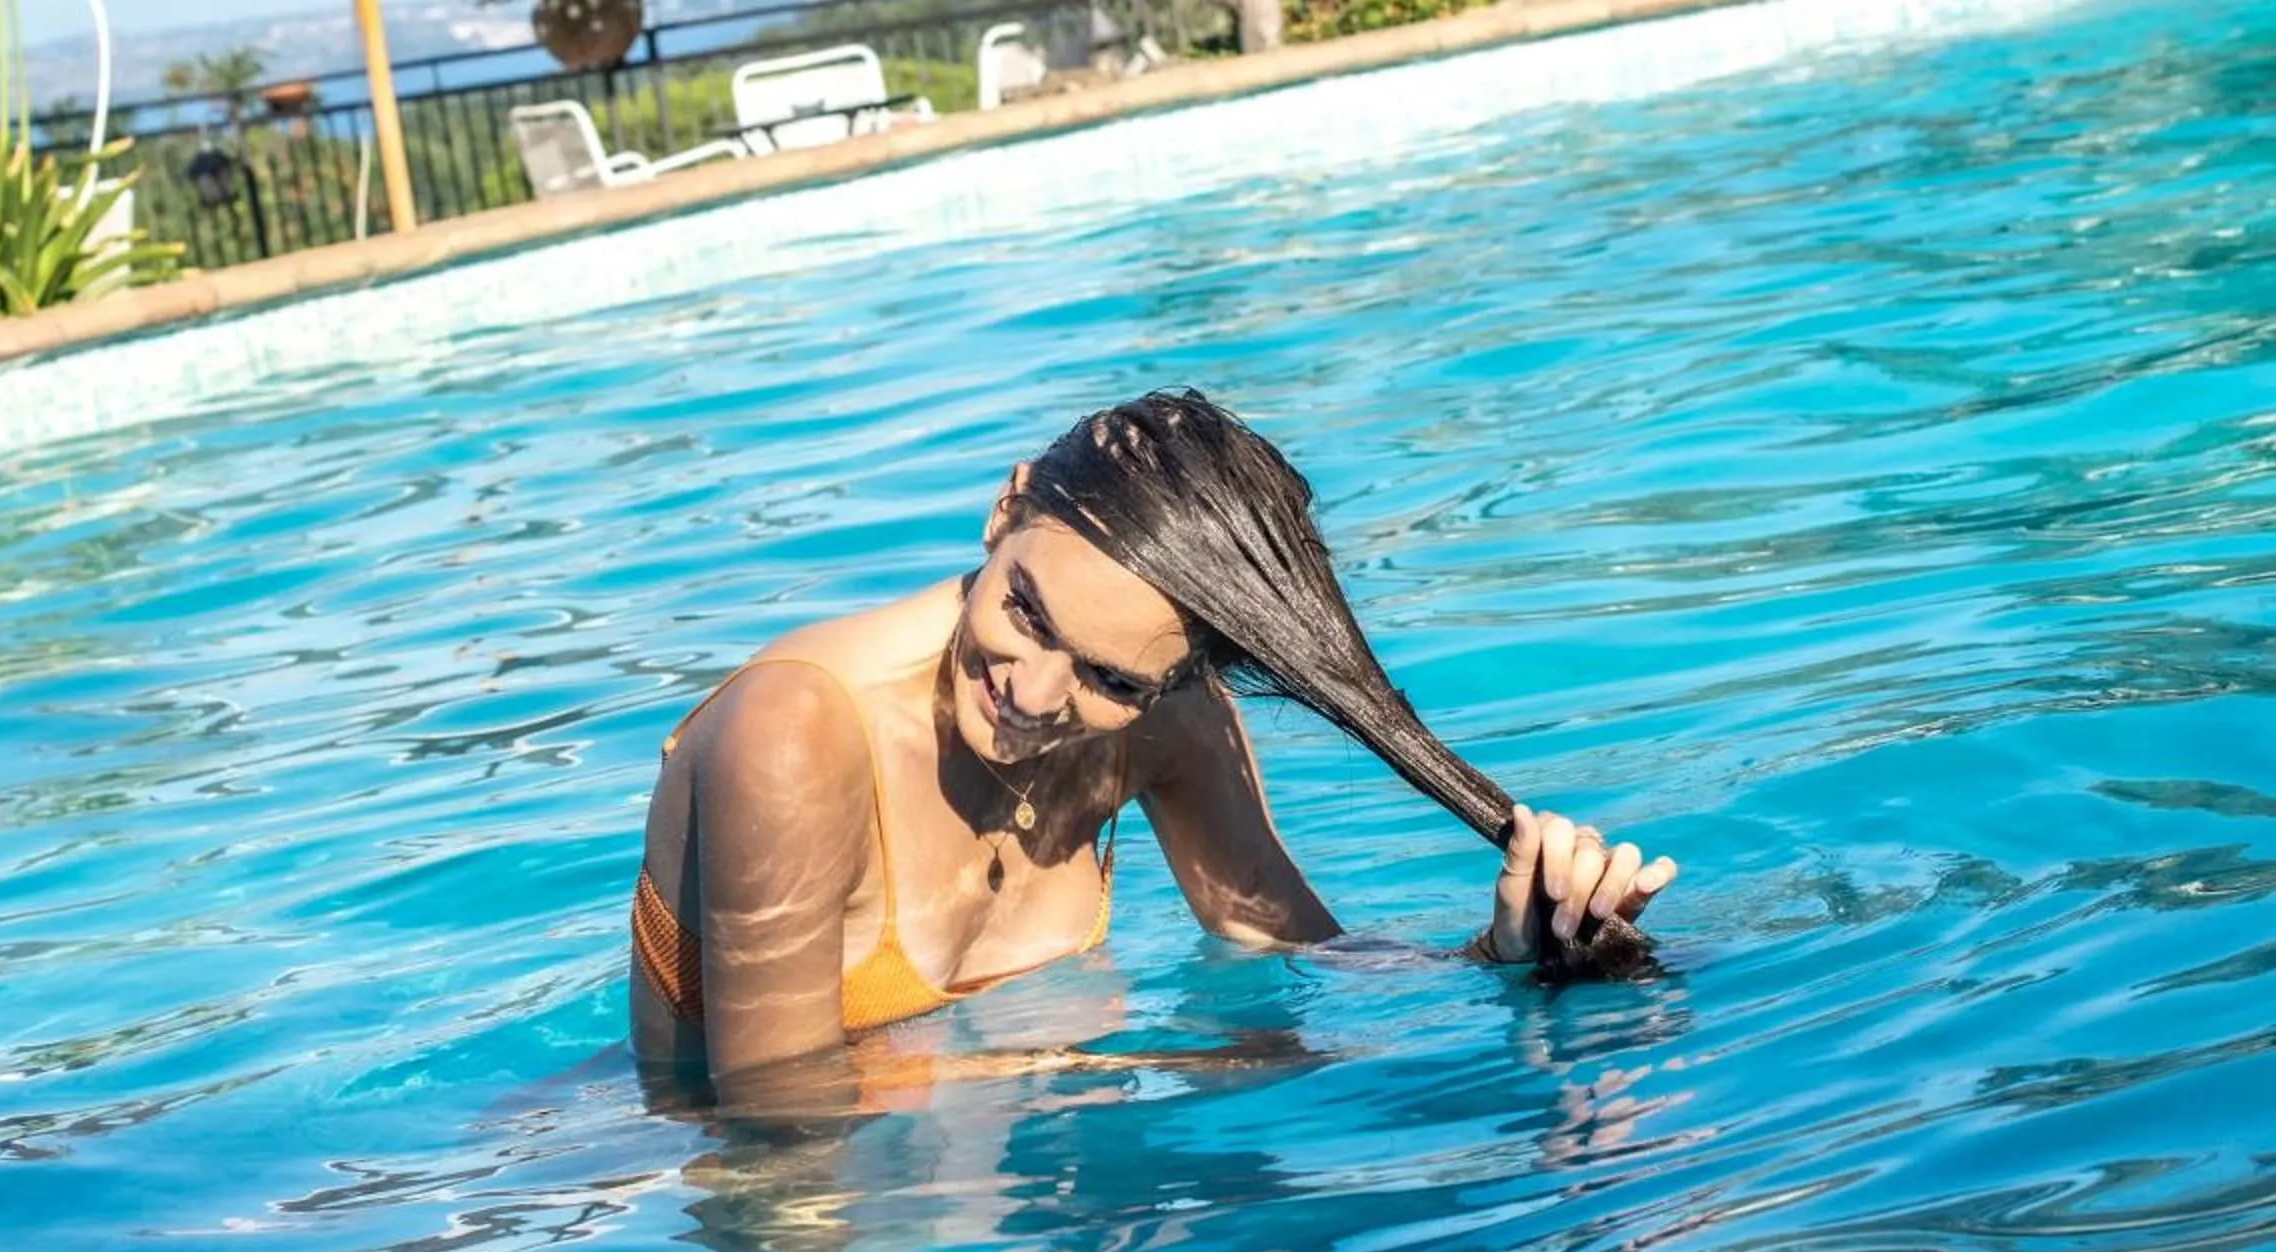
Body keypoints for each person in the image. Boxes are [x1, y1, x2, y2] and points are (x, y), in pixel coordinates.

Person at [629, 389, 1676, 1103]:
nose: (1035, 695)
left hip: (1003, 1185)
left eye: (1109, 677)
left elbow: (1295, 954)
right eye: (1028, 612)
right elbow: (776, 1134)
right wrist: (1061, 1063)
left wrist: (1493, 958)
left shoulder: (1167, 718)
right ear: (1005, 507)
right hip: (705, 1190)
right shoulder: (796, 735)